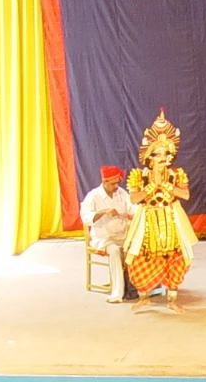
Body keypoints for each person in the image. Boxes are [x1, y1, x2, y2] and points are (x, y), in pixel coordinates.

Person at [125, 110, 198, 311]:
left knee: (176, 256)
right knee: (141, 255)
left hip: (171, 217)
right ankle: (144, 296)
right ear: (149, 157)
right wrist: (151, 186)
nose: (162, 158)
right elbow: (133, 199)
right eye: (157, 154)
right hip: (147, 219)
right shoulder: (139, 175)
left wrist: (166, 186)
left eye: (166, 154)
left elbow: (185, 195)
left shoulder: (176, 174)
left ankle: (172, 300)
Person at [80, 166, 134, 304]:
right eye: (113, 183)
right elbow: (86, 217)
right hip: (103, 238)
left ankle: (136, 288)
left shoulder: (121, 193)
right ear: (104, 181)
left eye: (117, 183)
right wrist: (103, 212)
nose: (116, 186)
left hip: (122, 235)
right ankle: (117, 293)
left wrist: (143, 209)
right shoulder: (93, 196)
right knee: (115, 251)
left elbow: (132, 208)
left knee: (137, 246)